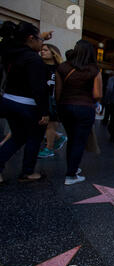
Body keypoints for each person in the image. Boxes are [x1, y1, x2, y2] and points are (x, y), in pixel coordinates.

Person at [0, 21, 52, 184]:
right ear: (30, 38)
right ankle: (28, 172)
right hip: (27, 105)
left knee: (18, 136)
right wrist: (44, 111)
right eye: (39, 40)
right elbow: (38, 88)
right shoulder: (33, 60)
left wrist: (40, 36)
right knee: (34, 137)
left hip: (8, 100)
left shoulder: (11, 53)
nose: (41, 43)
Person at [55, 39, 103, 185]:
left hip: (65, 106)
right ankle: (71, 175)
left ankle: (72, 169)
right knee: (79, 142)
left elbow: (57, 92)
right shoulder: (94, 70)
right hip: (85, 108)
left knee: (71, 139)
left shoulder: (62, 67)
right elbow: (97, 94)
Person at [38, 43, 67, 158]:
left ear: (53, 53)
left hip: (54, 100)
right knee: (43, 124)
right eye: (42, 50)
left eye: (45, 50)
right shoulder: (39, 65)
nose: (42, 52)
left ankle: (49, 148)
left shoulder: (60, 68)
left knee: (50, 124)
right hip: (41, 99)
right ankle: (59, 138)